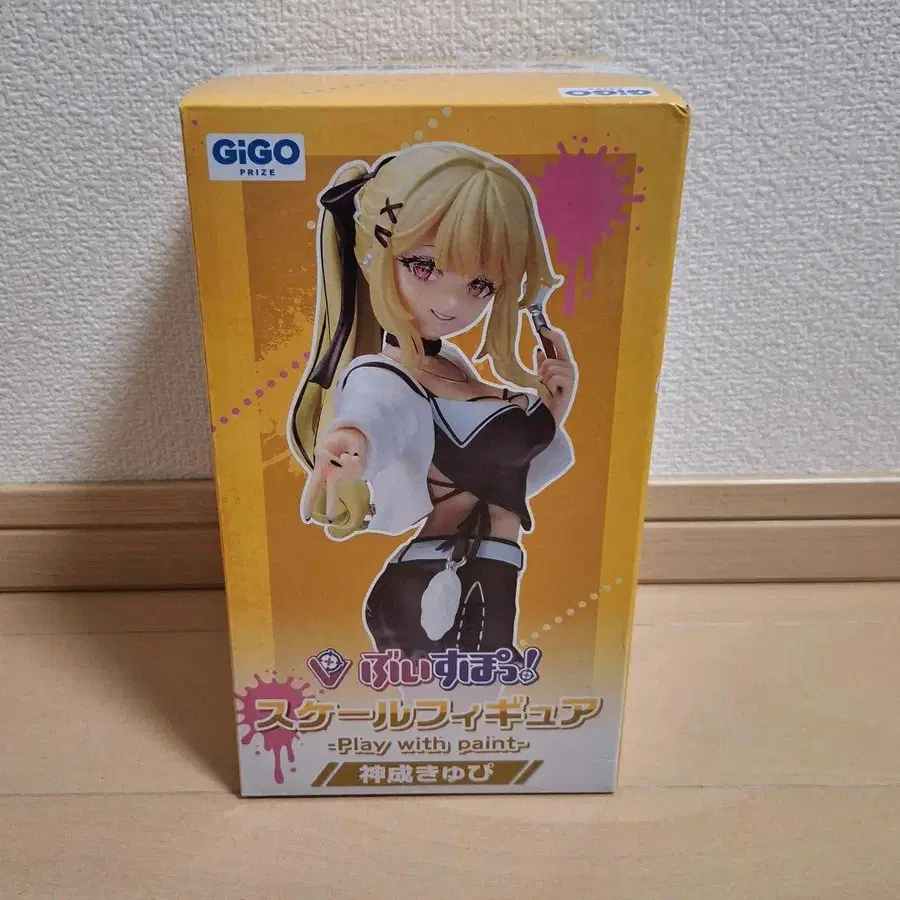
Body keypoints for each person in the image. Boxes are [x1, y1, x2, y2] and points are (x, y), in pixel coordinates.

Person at [287, 142, 577, 660]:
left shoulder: (452, 366)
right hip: (430, 585)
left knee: (482, 697)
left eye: (480, 284)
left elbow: (512, 465)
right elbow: (378, 412)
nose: (451, 302)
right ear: (374, 256)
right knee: (447, 697)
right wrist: (353, 440)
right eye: (424, 266)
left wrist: (555, 404)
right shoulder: (384, 374)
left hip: (488, 572)